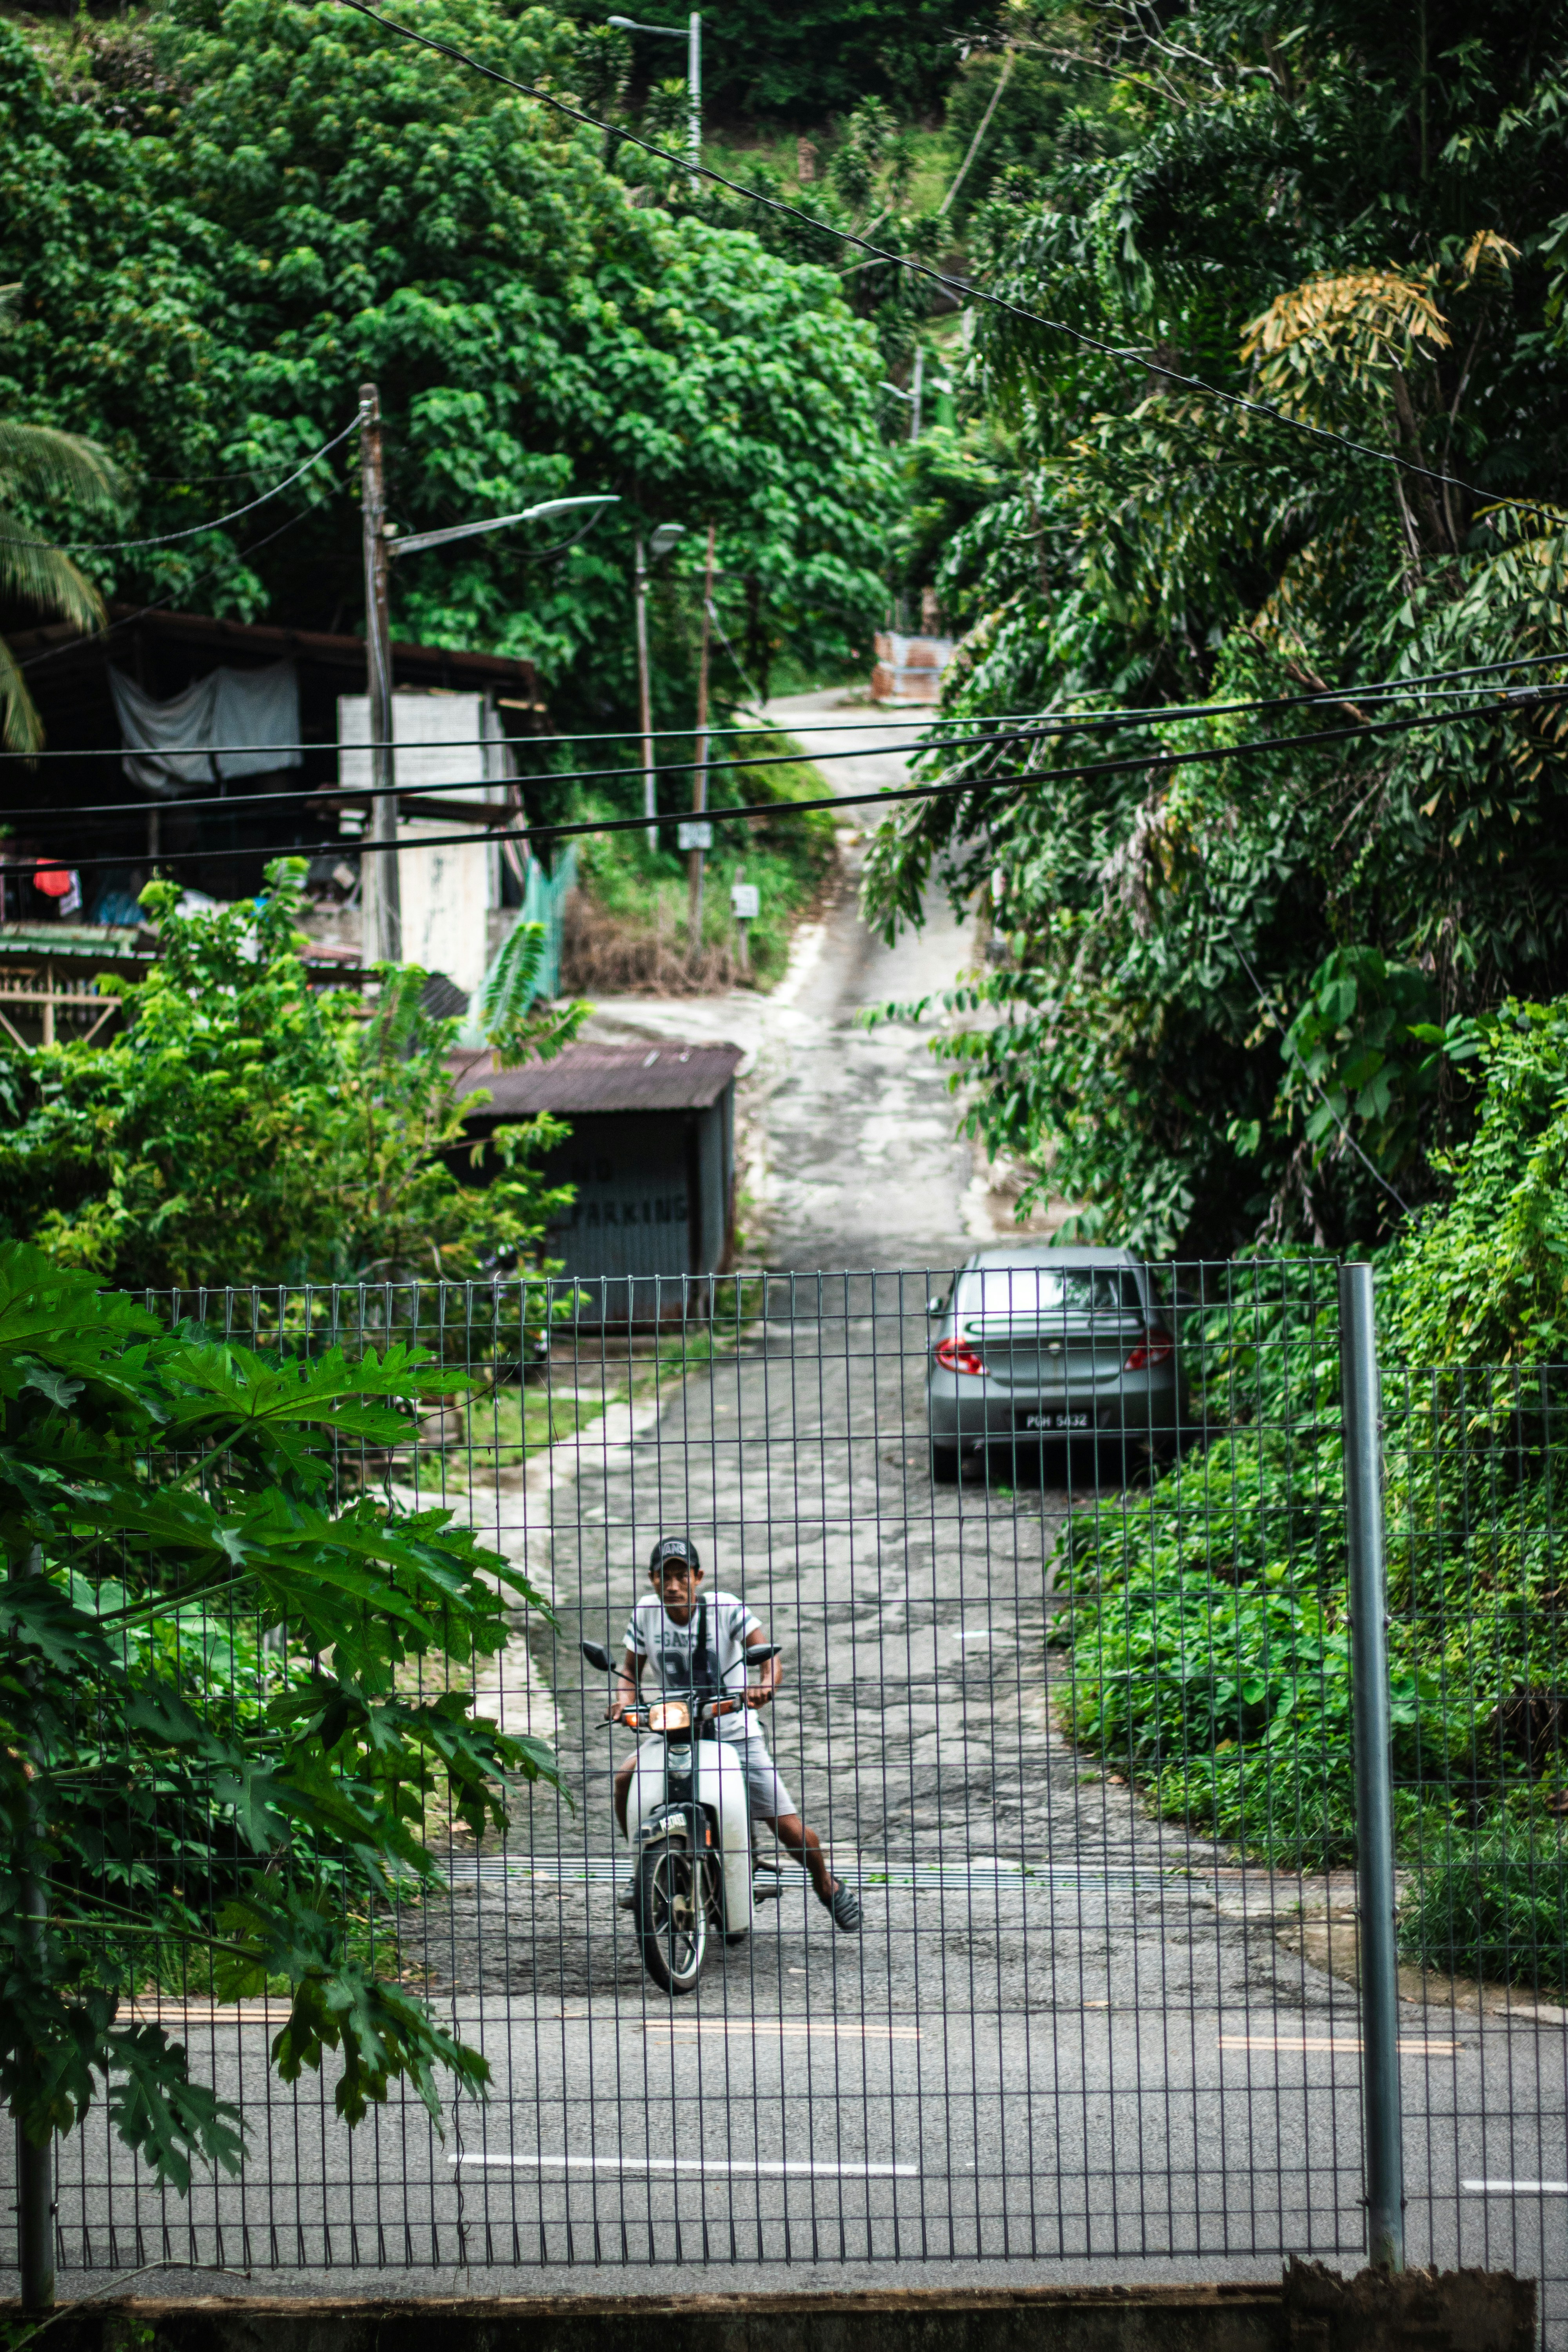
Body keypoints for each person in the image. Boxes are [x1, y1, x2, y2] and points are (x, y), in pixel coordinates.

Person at [610, 1533, 861, 1932]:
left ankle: (826, 1883)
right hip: (678, 1729)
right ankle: (645, 1870)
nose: (673, 1586)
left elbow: (768, 1655)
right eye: (664, 1577)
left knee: (784, 1824)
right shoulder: (645, 1613)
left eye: (681, 1576)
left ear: (698, 1576)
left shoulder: (724, 1608)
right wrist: (624, 1701)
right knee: (626, 1779)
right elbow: (629, 1670)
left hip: (733, 1729)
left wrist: (764, 1684)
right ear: (652, 1580)